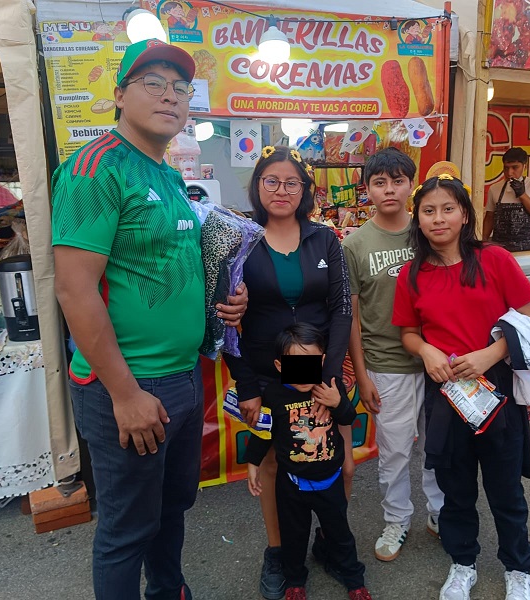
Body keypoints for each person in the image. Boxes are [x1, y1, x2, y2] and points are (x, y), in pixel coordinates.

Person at [51, 39, 247, 600]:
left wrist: (225, 303)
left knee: (172, 507)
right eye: (152, 83)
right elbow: (74, 288)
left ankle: (168, 590)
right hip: (129, 386)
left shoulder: (163, 172)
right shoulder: (95, 169)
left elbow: (171, 267)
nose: (170, 96)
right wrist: (125, 393)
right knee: (125, 529)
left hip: (183, 378)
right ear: (118, 95)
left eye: (180, 87)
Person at [393, 174, 530, 600]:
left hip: (496, 387)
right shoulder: (412, 274)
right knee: (454, 489)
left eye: (447, 209)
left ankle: (518, 567)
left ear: (464, 215)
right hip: (445, 393)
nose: (438, 218)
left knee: (505, 488)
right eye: (428, 211)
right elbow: (406, 331)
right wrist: (427, 351)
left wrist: (491, 354)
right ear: (417, 219)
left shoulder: (494, 259)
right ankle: (462, 563)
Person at [223, 145, 353, 600]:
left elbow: (340, 309)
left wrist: (329, 372)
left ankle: (330, 543)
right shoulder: (239, 239)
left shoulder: (325, 240)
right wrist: (246, 386)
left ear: (305, 190)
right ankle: (279, 552)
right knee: (276, 459)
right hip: (264, 367)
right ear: (258, 186)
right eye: (271, 180)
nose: (281, 189)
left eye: (291, 182)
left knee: (337, 454)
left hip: (318, 368)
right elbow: (228, 321)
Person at [342, 148, 443, 562]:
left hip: (440, 361)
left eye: (398, 181)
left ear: (411, 186)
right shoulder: (354, 244)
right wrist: (362, 376)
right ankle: (397, 519)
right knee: (396, 450)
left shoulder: (430, 232)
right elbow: (353, 316)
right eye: (380, 182)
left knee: (438, 447)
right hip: (387, 366)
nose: (389, 190)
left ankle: (441, 513)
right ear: (366, 189)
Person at [245, 323, 371, 600]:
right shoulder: (275, 395)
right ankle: (294, 582)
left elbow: (348, 419)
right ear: (279, 365)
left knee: (340, 534)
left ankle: (353, 579)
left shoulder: (331, 388)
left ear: (322, 361)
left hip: (330, 482)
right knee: (293, 537)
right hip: (291, 486)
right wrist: (252, 463)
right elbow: (264, 433)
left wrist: (338, 402)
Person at [482, 147, 530, 252]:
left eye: (515, 167)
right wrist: (483, 242)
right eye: (506, 168)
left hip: (527, 249)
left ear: (524, 166)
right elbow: (490, 217)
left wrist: (522, 194)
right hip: (500, 250)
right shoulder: (494, 188)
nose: (509, 173)